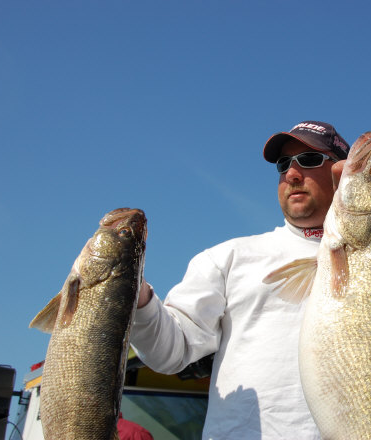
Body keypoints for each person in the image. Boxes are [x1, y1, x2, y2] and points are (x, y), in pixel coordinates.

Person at [129, 121, 350, 439]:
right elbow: (169, 353)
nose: (292, 174)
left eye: (309, 159)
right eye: (283, 164)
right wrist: (138, 297)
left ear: (342, 172)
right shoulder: (227, 258)